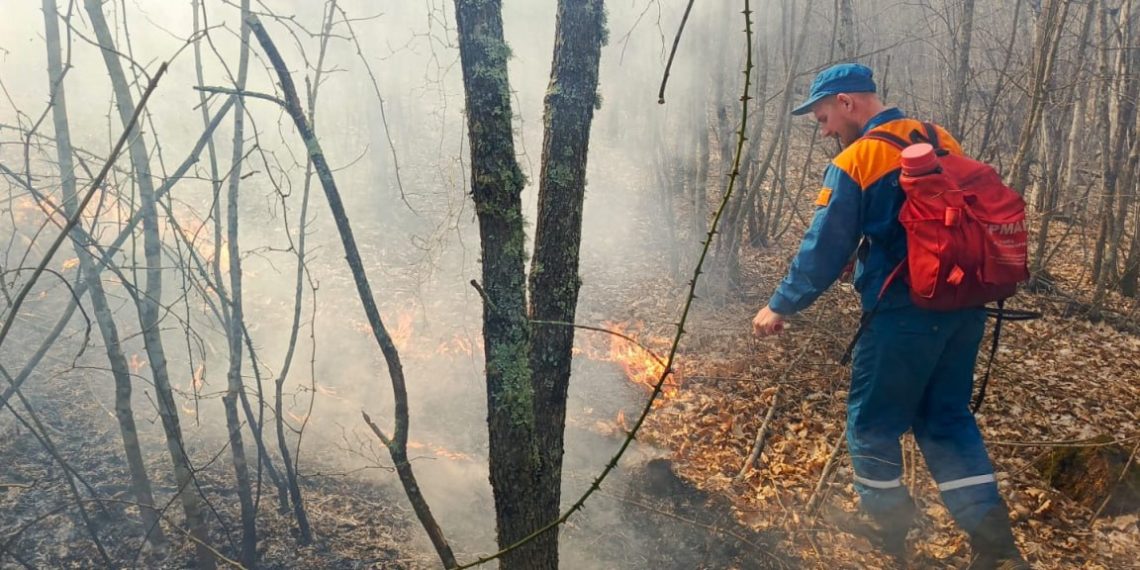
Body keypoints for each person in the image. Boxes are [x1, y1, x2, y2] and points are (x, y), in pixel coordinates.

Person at [751, 63, 1028, 569]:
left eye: (824, 117)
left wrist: (781, 304)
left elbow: (823, 246)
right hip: (965, 309)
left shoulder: (858, 159)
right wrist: (867, 253)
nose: (826, 130)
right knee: (946, 422)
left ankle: (888, 530)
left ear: (848, 102)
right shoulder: (940, 137)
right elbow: (933, 222)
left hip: (903, 315)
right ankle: (997, 547)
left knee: (872, 426)